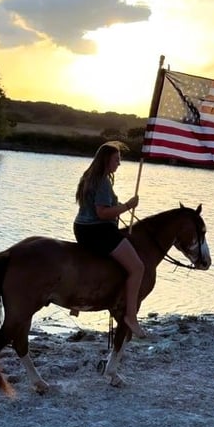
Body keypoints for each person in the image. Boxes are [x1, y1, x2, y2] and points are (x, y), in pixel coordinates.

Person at [74, 141, 146, 338]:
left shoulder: (89, 176)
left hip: (82, 227)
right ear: (107, 159)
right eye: (117, 159)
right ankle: (131, 316)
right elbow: (103, 213)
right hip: (97, 230)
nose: (119, 164)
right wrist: (127, 206)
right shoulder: (103, 180)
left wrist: (120, 207)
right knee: (138, 267)